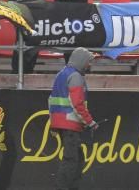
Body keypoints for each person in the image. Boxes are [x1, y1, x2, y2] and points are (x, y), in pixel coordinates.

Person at [49, 48, 99, 190]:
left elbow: (51, 100)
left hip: (61, 123)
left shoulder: (61, 74)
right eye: (88, 62)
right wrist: (90, 122)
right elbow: (77, 104)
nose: (89, 65)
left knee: (77, 158)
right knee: (71, 161)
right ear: (82, 61)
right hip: (70, 124)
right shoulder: (76, 76)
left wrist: (53, 122)